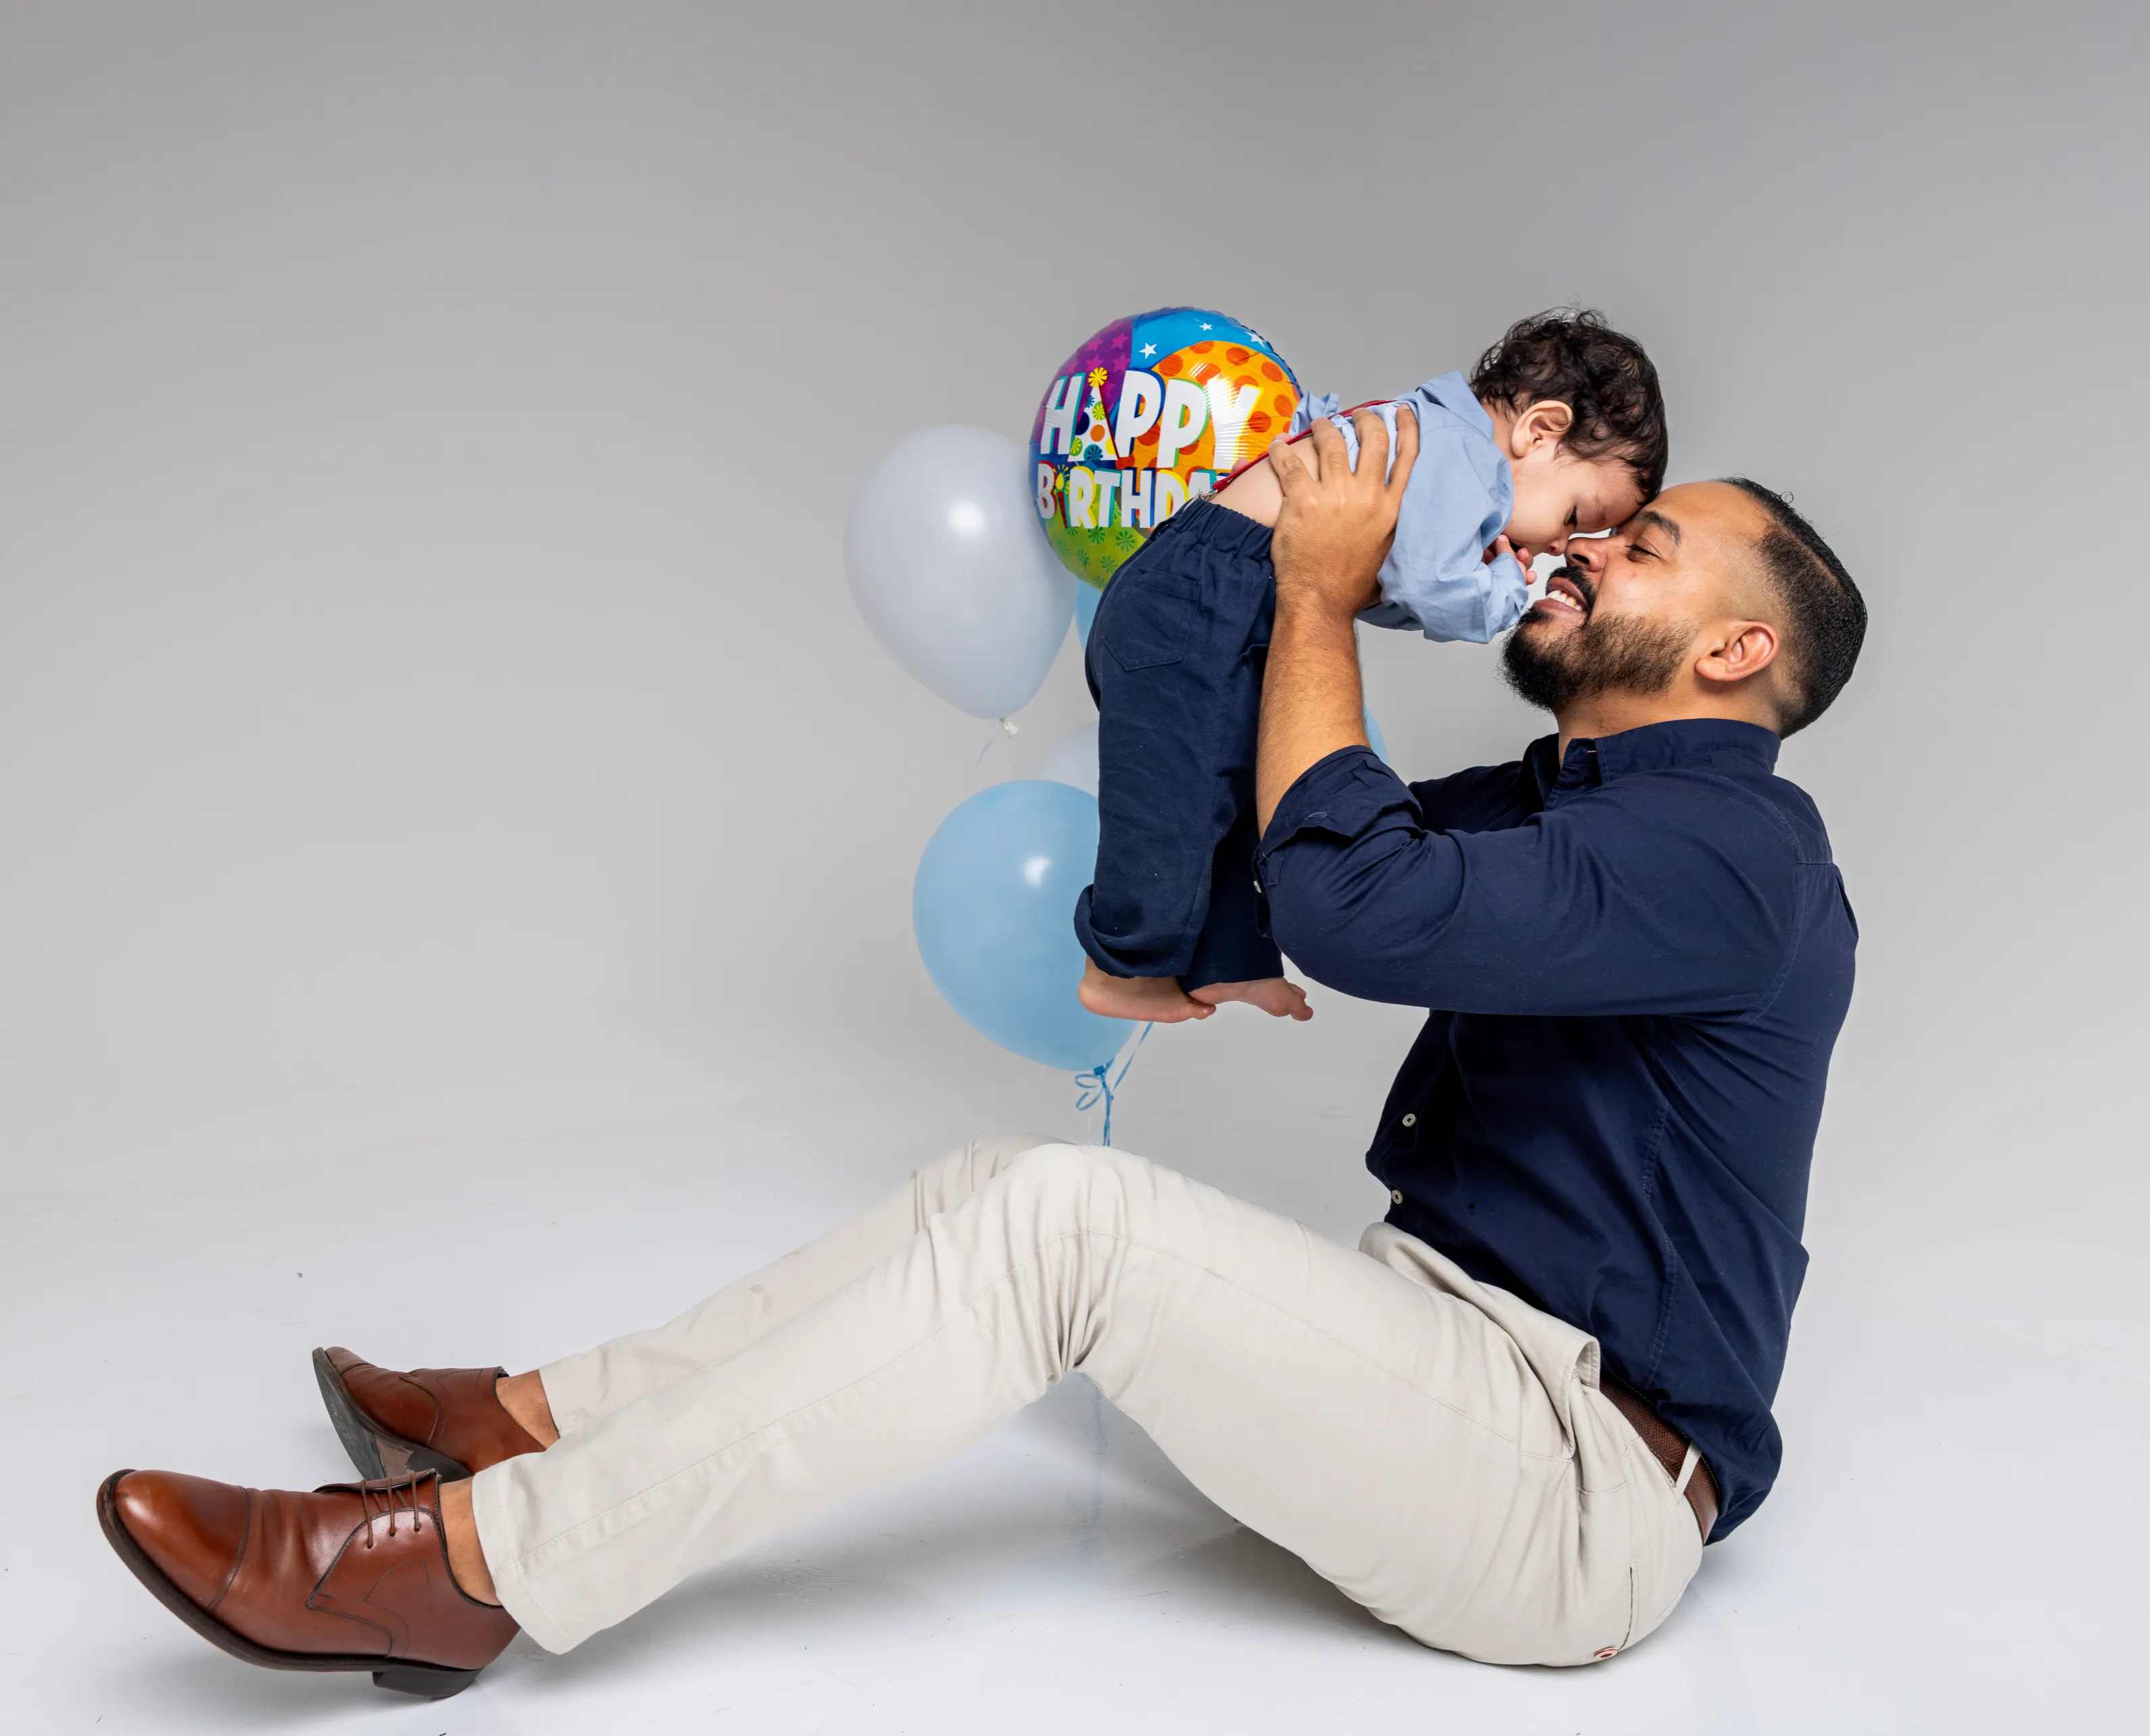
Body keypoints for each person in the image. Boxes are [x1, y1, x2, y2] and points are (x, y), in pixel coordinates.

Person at [95, 407, 1865, 1702]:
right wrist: (1238, 562)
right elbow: (1291, 856)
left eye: (1639, 546)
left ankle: (468, 1574)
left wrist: (1321, 595)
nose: (1576, 546)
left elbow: (1359, 904)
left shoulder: (1739, 854)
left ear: (1736, 647)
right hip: (1456, 1373)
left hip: (1572, 1486)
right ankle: (524, 1425)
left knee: (1063, 1230)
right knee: (1002, 1187)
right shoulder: (1581, 805)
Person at [1075, 310, 1666, 1026]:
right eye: (1574, 515)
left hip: (1232, 602)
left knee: (1234, 794)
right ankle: (1121, 966)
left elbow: (1376, 589)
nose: (1558, 547)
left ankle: (1228, 960)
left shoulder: (1435, 444)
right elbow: (1430, 589)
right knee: (1171, 798)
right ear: (1539, 430)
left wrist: (1452, 572)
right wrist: (1507, 589)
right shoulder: (1459, 454)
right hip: (1198, 598)